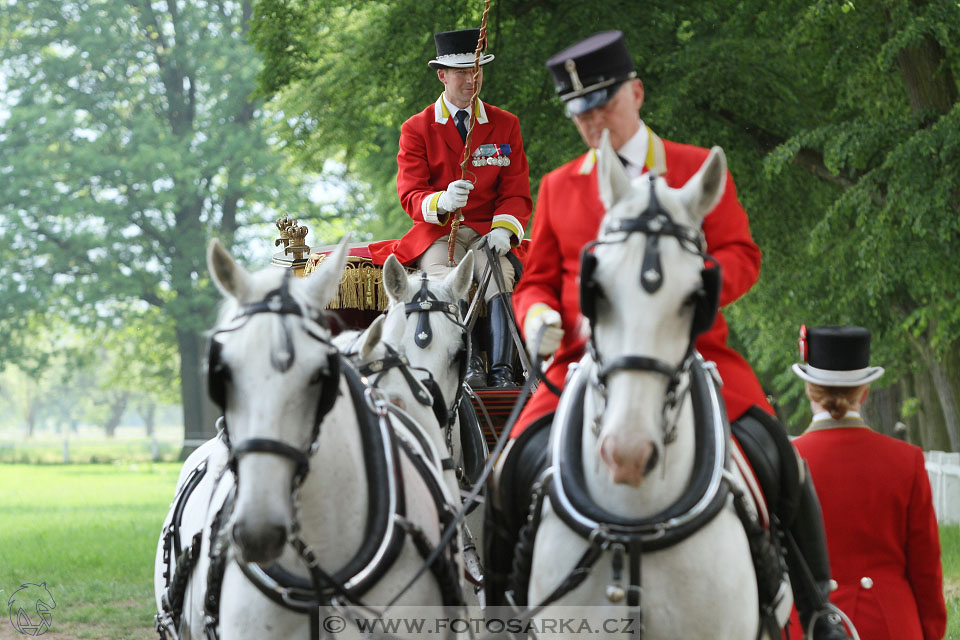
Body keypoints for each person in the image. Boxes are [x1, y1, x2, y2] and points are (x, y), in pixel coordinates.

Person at [485, 30, 851, 640]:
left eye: (605, 103)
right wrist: (537, 318)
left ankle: (817, 609)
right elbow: (537, 280)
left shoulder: (692, 168)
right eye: (581, 111)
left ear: (636, 92)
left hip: (694, 352)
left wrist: (698, 289)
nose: (594, 120)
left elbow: (742, 252)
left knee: (777, 455)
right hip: (581, 361)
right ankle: (499, 615)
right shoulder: (558, 187)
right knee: (508, 470)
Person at [368, 28, 532, 388]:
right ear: (442, 75)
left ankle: (503, 371)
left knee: (499, 276)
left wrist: (505, 229)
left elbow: (516, 190)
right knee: (445, 281)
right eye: (461, 72)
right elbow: (410, 193)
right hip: (441, 233)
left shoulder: (506, 125)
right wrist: (441, 201)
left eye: (476, 70)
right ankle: (468, 365)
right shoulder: (417, 128)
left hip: (489, 233)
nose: (470, 80)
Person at [792, 325, 947, 640]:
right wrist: (930, 631)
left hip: (811, 626)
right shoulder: (907, 460)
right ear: (864, 392)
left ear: (809, 389)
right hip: (893, 624)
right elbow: (926, 569)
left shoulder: (787, 461)